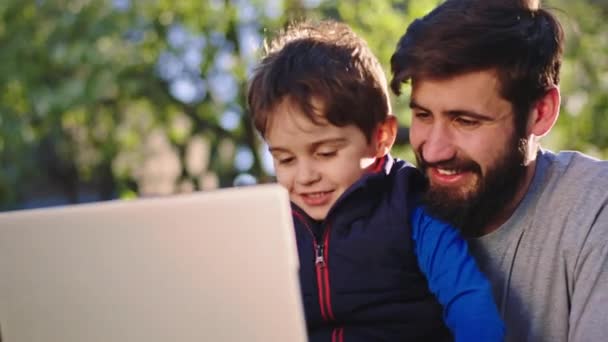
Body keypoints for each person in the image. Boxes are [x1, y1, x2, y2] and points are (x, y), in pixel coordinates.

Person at [247, 20, 504, 341]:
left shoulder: (412, 206)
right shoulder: (273, 226)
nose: (305, 176)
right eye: (285, 159)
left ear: (381, 137)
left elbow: (468, 300)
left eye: (326, 153)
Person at [389, 0, 608, 341]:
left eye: (465, 121)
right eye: (423, 115)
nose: (433, 150)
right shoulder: (383, 212)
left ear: (540, 112)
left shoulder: (595, 210)